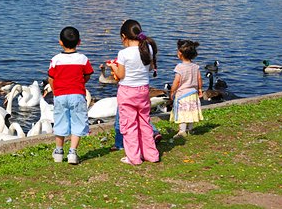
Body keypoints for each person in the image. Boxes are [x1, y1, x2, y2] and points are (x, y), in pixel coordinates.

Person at [107, 19, 160, 165]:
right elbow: (149, 68)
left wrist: (113, 66)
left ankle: (134, 157)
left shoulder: (124, 53)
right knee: (144, 122)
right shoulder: (148, 48)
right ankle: (151, 154)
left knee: (129, 125)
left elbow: (121, 75)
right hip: (143, 90)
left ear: (124, 36)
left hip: (127, 92)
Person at [48, 26, 94, 165]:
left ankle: (58, 151)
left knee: (60, 122)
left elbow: (51, 78)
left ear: (60, 42)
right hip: (77, 95)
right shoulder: (83, 59)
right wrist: (79, 83)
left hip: (60, 95)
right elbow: (87, 75)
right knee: (78, 122)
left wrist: (55, 90)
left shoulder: (55, 60)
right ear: (79, 42)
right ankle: (72, 152)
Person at [169, 39, 203, 138]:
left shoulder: (180, 67)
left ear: (180, 53)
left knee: (182, 113)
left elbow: (177, 81)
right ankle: (190, 129)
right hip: (193, 93)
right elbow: (199, 78)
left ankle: (182, 131)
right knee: (191, 111)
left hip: (182, 95)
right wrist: (200, 89)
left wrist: (172, 91)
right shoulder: (195, 66)